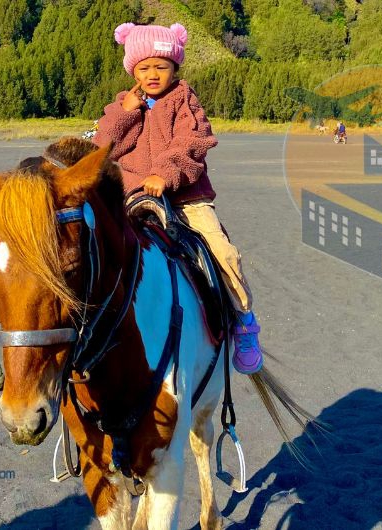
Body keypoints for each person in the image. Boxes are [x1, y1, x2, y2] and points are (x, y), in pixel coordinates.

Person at [93, 22, 263, 374]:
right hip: (133, 198)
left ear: (175, 67)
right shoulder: (121, 105)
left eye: (161, 66)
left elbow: (194, 143)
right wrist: (126, 111)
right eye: (144, 67)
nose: (152, 74)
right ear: (133, 70)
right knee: (100, 252)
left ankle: (244, 322)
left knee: (222, 252)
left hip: (187, 198)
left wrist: (165, 175)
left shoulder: (185, 100)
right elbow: (104, 147)